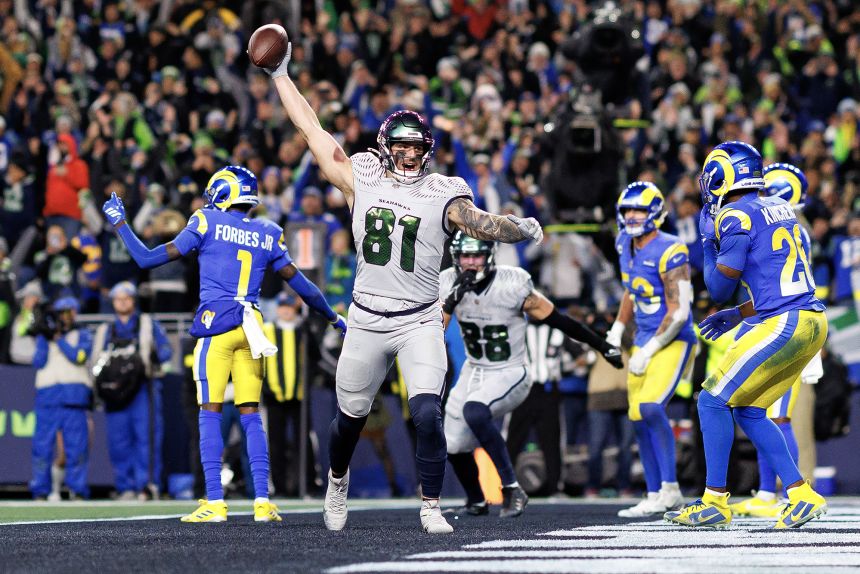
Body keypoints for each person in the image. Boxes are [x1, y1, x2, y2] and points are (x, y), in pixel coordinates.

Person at [265, 44, 544, 533]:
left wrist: (516, 226)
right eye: (402, 145)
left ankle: (431, 506)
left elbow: (477, 222)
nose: (409, 153)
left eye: (417, 146)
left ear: (427, 149)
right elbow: (311, 129)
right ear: (385, 146)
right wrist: (280, 75)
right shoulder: (362, 176)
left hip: (419, 318)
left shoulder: (443, 191)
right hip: (367, 318)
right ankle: (336, 482)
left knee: (428, 415)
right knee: (349, 420)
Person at [102, 165, 345, 523]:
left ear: (222, 192)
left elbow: (146, 259)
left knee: (209, 413)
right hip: (252, 327)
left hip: (217, 323)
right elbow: (304, 287)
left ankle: (214, 502)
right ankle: (263, 502)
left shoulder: (206, 221)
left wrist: (121, 224)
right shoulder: (268, 231)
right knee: (251, 416)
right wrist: (335, 319)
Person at [666, 141, 828, 529]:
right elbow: (777, 281)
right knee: (748, 409)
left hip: (784, 321)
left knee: (710, 400)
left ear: (723, 174)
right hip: (809, 320)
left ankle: (714, 501)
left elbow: (718, 287)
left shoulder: (734, 214)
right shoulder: (780, 207)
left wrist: (707, 242)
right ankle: (801, 494)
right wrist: (738, 314)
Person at [439, 232, 623, 517]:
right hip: (474, 369)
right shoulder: (448, 282)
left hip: (511, 370)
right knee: (453, 442)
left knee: (475, 412)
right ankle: (476, 501)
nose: (471, 263)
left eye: (476, 255)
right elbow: (433, 330)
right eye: (465, 256)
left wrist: (601, 345)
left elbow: (559, 320)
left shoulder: (511, 284)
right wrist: (451, 301)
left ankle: (512, 488)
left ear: (489, 256)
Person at [729, 163, 823, 517]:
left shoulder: (784, 228)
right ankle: (769, 492)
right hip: (774, 320)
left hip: (783, 323)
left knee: (778, 417)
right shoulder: (792, 227)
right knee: (762, 412)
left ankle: (790, 495)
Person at [609, 181, 696, 518]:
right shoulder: (624, 244)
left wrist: (652, 346)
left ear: (656, 213)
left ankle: (672, 489)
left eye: (639, 210)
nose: (632, 216)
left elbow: (680, 310)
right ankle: (654, 491)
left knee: (650, 407)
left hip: (673, 339)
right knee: (637, 417)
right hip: (643, 339)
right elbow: (632, 289)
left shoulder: (672, 249)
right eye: (627, 210)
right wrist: (618, 327)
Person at [92, 281, 172, 501]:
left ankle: (147, 486)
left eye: (127, 297)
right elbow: (95, 361)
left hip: (142, 389)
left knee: (146, 438)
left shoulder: (147, 324)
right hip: (115, 393)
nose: (123, 302)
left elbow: (166, 351)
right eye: (118, 298)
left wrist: (156, 357)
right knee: (118, 442)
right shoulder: (105, 330)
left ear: (134, 300)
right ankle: (124, 486)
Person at [30, 296, 93, 500]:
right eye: (62, 312)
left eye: (71, 311)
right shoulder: (44, 336)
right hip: (48, 398)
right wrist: (43, 335)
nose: (67, 316)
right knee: (41, 447)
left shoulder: (82, 334)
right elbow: (38, 362)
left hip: (74, 398)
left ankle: (78, 489)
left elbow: (79, 357)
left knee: (77, 448)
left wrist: (59, 339)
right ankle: (40, 490)